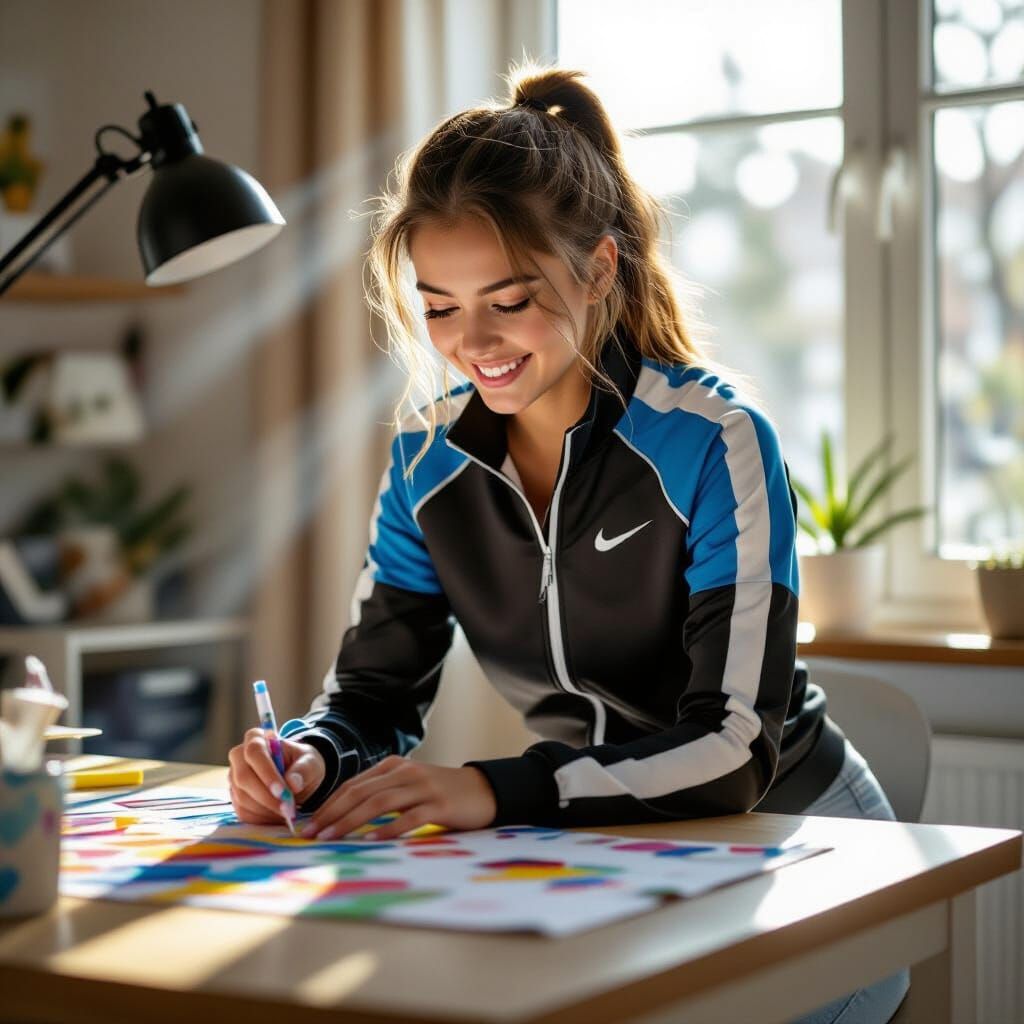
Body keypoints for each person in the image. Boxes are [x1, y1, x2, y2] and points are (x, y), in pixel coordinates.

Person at [227, 62, 909, 1023]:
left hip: (793, 842)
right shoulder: (426, 459)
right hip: (586, 850)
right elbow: (374, 693)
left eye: (509, 301)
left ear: (598, 269)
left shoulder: (714, 439)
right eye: (439, 306)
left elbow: (734, 749)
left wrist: (490, 790)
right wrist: (311, 758)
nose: (474, 343)